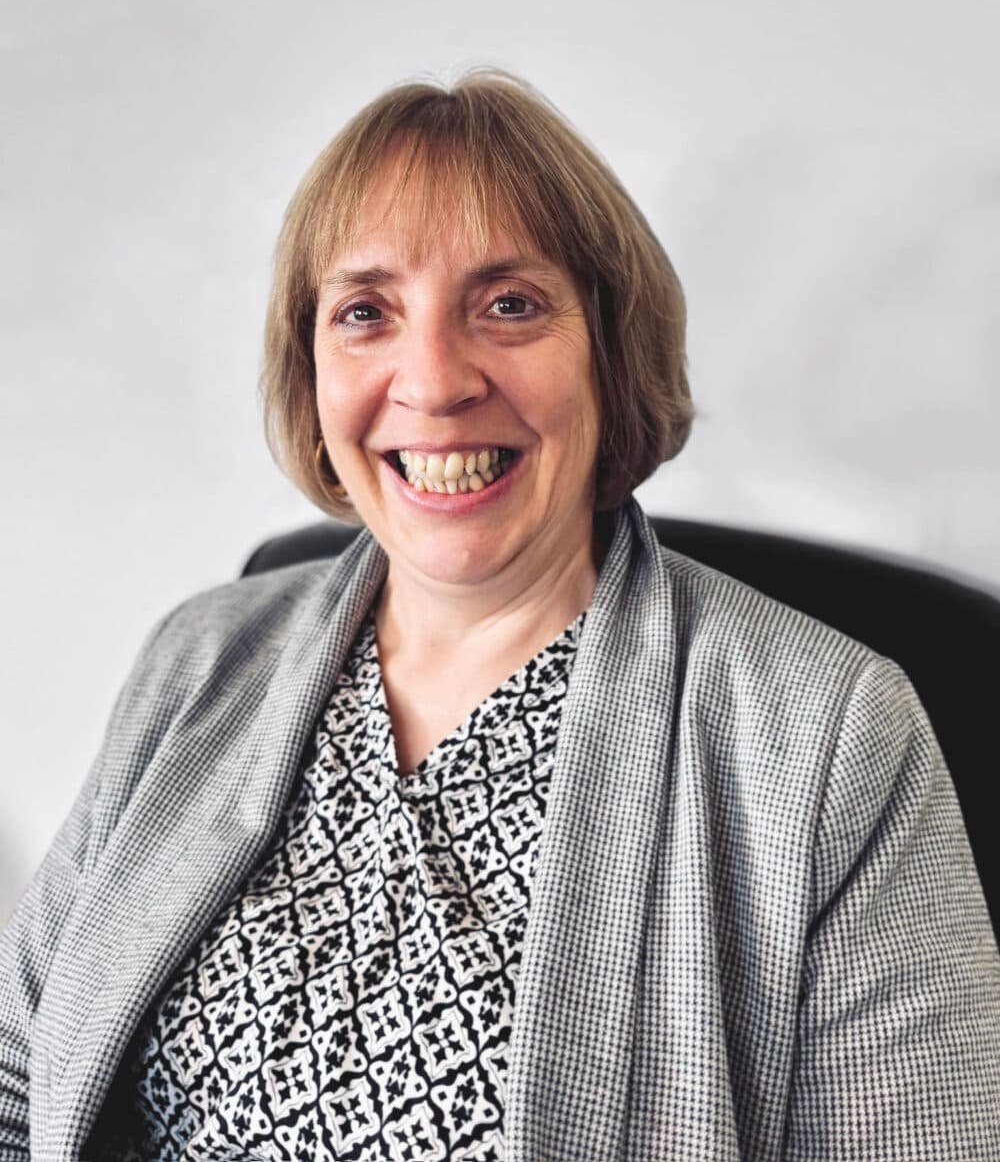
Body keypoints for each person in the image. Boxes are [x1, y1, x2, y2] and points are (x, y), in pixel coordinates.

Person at [1, 72, 997, 1162]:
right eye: (366, 312)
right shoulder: (199, 658)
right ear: (312, 368)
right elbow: (24, 1062)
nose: (431, 381)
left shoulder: (831, 734)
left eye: (508, 303)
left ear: (610, 356)